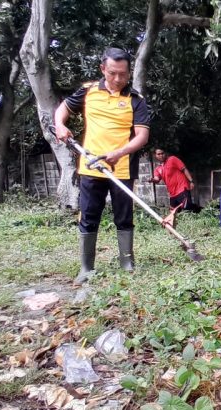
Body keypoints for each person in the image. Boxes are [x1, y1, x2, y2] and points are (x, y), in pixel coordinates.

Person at [54, 47, 150, 285]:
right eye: (112, 73)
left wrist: (119, 152)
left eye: (123, 74)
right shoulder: (88, 92)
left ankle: (127, 262)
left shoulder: (136, 101)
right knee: (88, 215)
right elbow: (62, 110)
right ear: (103, 69)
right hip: (90, 167)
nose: (118, 79)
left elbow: (141, 137)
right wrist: (60, 125)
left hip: (122, 167)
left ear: (129, 73)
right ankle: (86, 267)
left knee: (124, 217)